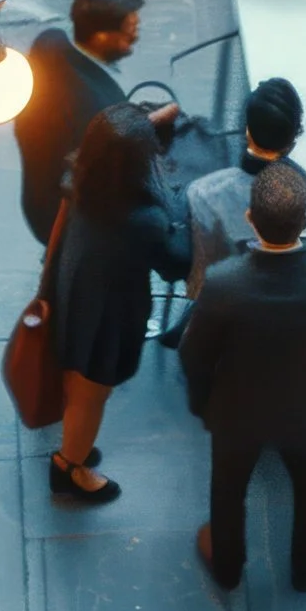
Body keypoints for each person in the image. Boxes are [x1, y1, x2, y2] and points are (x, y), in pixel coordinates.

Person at [181, 159, 306, 595]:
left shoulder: (222, 283)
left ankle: (227, 570)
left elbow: (193, 355)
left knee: (227, 491)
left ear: (250, 218)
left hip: (236, 415)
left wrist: (204, 406)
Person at [48, 102, 192, 506]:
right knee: (91, 397)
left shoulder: (81, 175)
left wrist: (148, 123)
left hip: (75, 292)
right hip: (107, 320)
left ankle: (75, 446)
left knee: (77, 386)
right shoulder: (142, 219)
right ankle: (69, 467)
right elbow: (176, 264)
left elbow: (113, 139)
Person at [16, 0, 157, 243]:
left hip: (36, 198)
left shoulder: (49, 43)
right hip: (65, 222)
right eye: (129, 31)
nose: (136, 36)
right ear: (101, 36)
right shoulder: (98, 110)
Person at [182, 78, 303, 295]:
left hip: (221, 300)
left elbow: (201, 267)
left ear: (247, 132)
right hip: (286, 300)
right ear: (291, 144)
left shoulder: (202, 193)